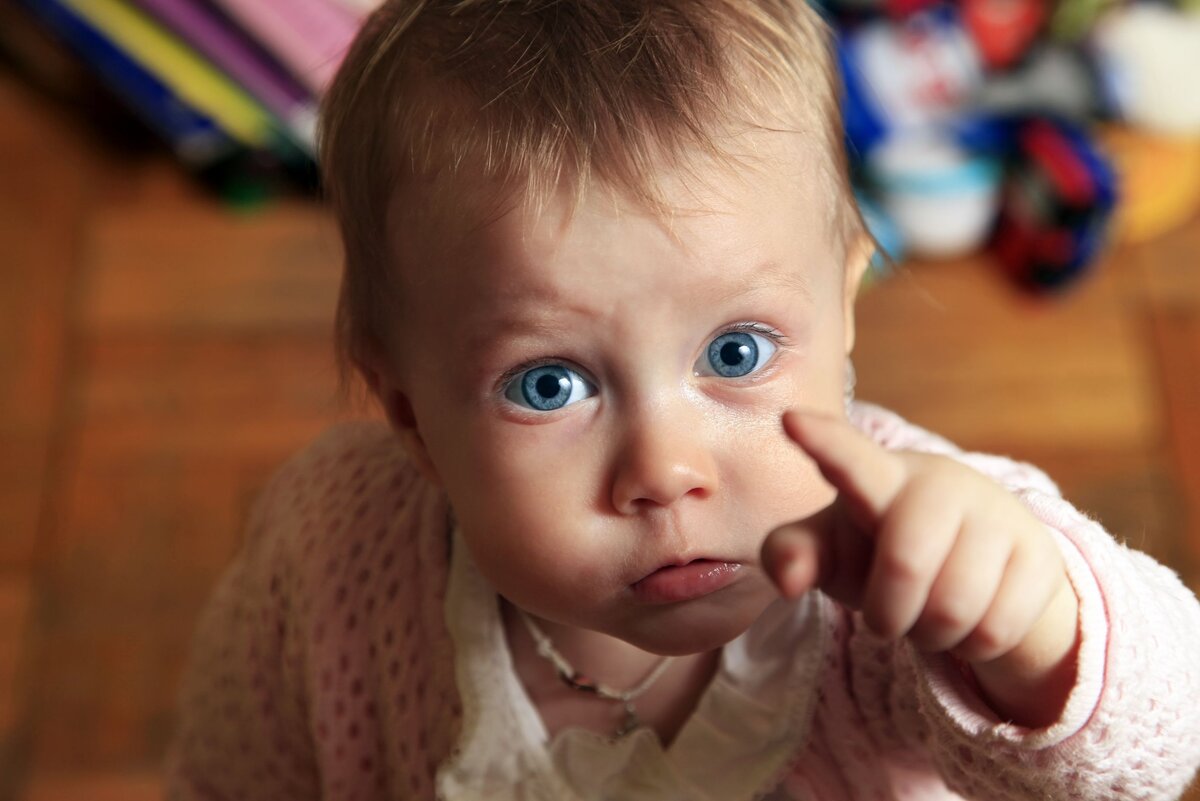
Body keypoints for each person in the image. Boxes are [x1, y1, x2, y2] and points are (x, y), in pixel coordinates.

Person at [165, 1, 1200, 799]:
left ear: (843, 305)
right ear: (411, 415)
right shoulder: (335, 552)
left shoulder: (922, 546)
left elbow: (1152, 745)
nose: (665, 469)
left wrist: (1031, 627)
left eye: (737, 351)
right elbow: (239, 765)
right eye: (549, 384)